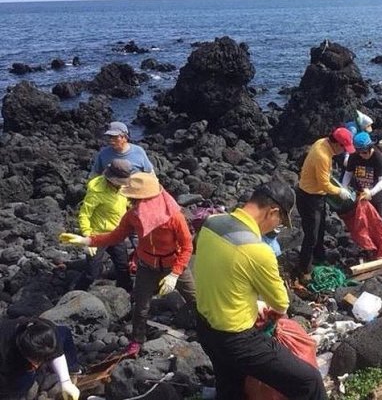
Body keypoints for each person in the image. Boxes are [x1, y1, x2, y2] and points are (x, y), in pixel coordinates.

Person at [193, 181, 326, 400]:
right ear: (272, 211)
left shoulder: (211, 223)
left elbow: (223, 271)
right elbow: (281, 303)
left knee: (230, 388)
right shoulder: (257, 250)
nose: (277, 226)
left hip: (205, 327)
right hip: (237, 339)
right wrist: (268, 307)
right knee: (309, 381)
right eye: (280, 221)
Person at [59, 173, 194, 356]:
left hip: (173, 263)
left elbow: (187, 246)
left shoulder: (174, 217)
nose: (132, 202)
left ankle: (207, 329)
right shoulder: (133, 216)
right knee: (141, 306)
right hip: (147, 265)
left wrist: (175, 273)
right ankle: (136, 341)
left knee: (195, 298)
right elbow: (116, 236)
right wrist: (86, 240)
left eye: (135, 198)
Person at [297, 127, 355, 281]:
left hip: (317, 196)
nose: (343, 151)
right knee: (312, 235)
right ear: (336, 143)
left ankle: (319, 256)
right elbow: (324, 184)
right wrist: (340, 191)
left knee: (321, 228)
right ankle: (304, 269)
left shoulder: (322, 142)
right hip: (310, 197)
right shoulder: (322, 156)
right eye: (343, 147)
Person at [74, 159, 133, 292]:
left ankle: (127, 295)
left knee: (123, 267)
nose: (120, 185)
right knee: (91, 273)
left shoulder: (123, 188)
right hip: (98, 235)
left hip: (117, 233)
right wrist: (87, 236)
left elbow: (127, 203)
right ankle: (75, 294)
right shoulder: (96, 192)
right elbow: (84, 214)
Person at [0, 318, 80, 400]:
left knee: (64, 332)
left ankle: (72, 372)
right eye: (37, 360)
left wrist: (65, 382)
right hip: (9, 359)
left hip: (35, 343)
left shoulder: (48, 332)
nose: (38, 364)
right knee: (21, 383)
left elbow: (58, 352)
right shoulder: (5, 349)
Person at [342, 131, 382, 217]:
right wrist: (343, 187)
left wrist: (371, 192)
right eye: (358, 152)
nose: (361, 155)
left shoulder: (378, 158)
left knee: (375, 220)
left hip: (374, 195)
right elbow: (348, 173)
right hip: (358, 194)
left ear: (371, 148)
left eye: (364, 152)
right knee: (358, 219)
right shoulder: (354, 155)